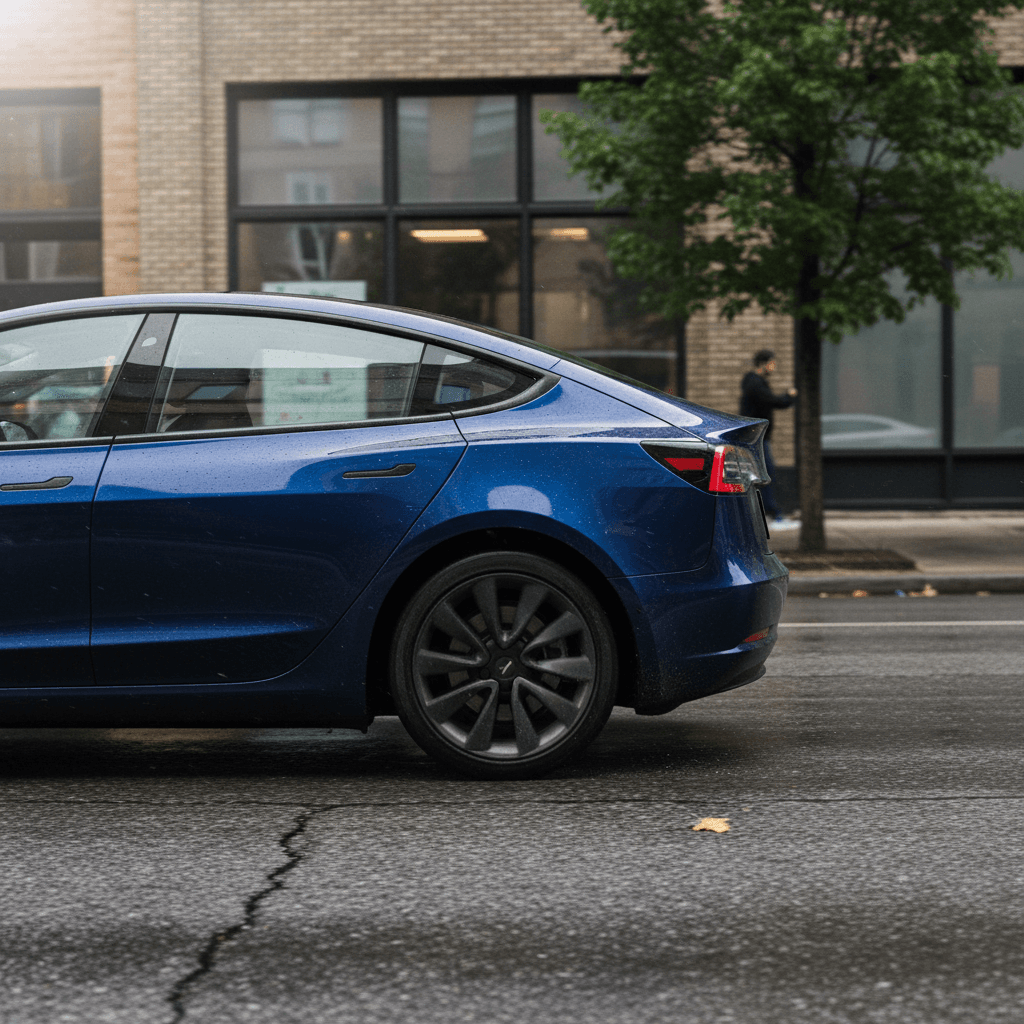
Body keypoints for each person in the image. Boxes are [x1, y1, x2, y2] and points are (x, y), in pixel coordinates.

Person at [740, 349, 798, 528]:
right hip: (756, 438)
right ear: (764, 363)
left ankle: (768, 514)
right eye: (772, 363)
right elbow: (774, 401)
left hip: (757, 437)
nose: (774, 367)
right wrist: (789, 396)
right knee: (765, 475)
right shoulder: (755, 384)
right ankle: (774, 515)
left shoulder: (755, 382)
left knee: (761, 475)